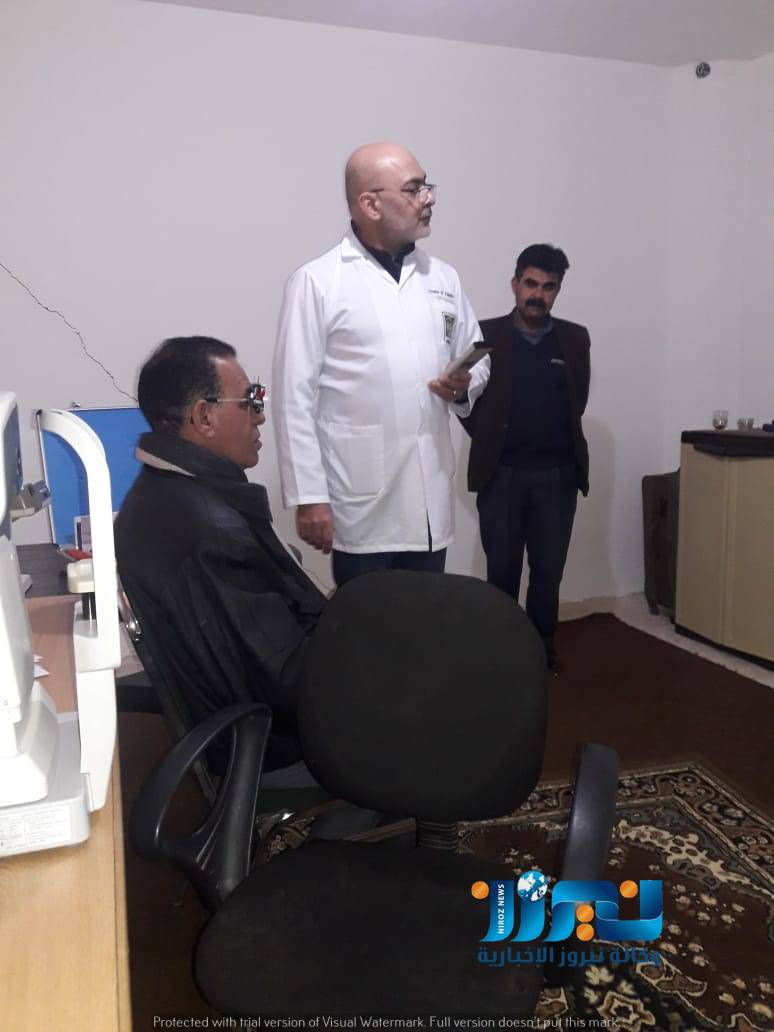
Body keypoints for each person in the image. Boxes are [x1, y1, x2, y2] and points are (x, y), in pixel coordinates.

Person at [272, 141, 489, 586]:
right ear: (370, 204)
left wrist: (464, 385)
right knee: (367, 620)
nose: (428, 199)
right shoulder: (318, 282)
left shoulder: (442, 278)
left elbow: (477, 354)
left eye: (427, 186)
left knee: (426, 615)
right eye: (413, 189)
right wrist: (309, 496)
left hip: (430, 496)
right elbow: (293, 397)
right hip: (361, 499)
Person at [114, 336, 326, 775]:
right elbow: (292, 678)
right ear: (204, 417)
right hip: (277, 746)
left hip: (241, 725)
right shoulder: (213, 531)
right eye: (250, 401)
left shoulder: (157, 493)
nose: (260, 416)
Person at [460, 244, 590, 673]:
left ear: (558, 291)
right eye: (530, 284)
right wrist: (488, 437)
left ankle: (540, 650)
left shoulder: (576, 339)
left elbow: (578, 401)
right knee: (502, 571)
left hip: (557, 477)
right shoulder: (482, 335)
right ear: (515, 284)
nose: (538, 294)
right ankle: (501, 653)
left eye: (548, 287)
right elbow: (459, 395)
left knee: (548, 572)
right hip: (502, 476)